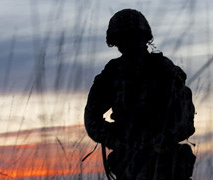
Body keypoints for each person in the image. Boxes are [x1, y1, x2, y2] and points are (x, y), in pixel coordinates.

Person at [84, 9, 196, 180]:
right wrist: (119, 140)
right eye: (123, 39)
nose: (128, 43)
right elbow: (92, 117)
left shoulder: (164, 70)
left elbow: (185, 119)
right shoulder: (112, 73)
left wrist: (161, 138)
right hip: (131, 165)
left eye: (132, 37)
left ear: (143, 38)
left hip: (165, 164)